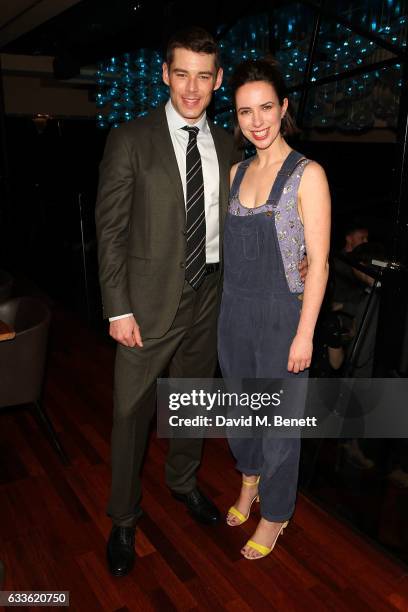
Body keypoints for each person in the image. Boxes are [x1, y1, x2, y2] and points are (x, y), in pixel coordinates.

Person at [95, 26, 240, 577]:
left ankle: (182, 483)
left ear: (219, 80)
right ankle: (124, 518)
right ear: (164, 74)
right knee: (130, 414)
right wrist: (117, 306)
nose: (193, 87)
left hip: (209, 295)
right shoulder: (131, 138)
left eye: (204, 76)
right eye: (182, 73)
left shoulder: (228, 143)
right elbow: (109, 230)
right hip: (146, 304)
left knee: (193, 402)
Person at [217, 59, 331, 560]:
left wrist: (305, 334)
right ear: (236, 115)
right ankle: (249, 480)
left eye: (266, 107)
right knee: (241, 416)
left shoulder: (309, 175)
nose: (257, 120)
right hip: (234, 313)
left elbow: (320, 265)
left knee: (281, 426)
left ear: (284, 108)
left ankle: (277, 511)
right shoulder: (237, 171)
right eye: (245, 111)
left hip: (283, 318)